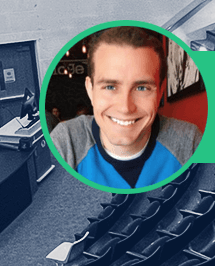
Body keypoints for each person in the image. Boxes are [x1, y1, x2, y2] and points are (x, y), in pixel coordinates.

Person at [51, 26, 201, 189]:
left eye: (142, 88)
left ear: (160, 92)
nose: (125, 108)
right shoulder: (65, 141)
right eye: (110, 87)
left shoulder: (189, 142)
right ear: (90, 90)